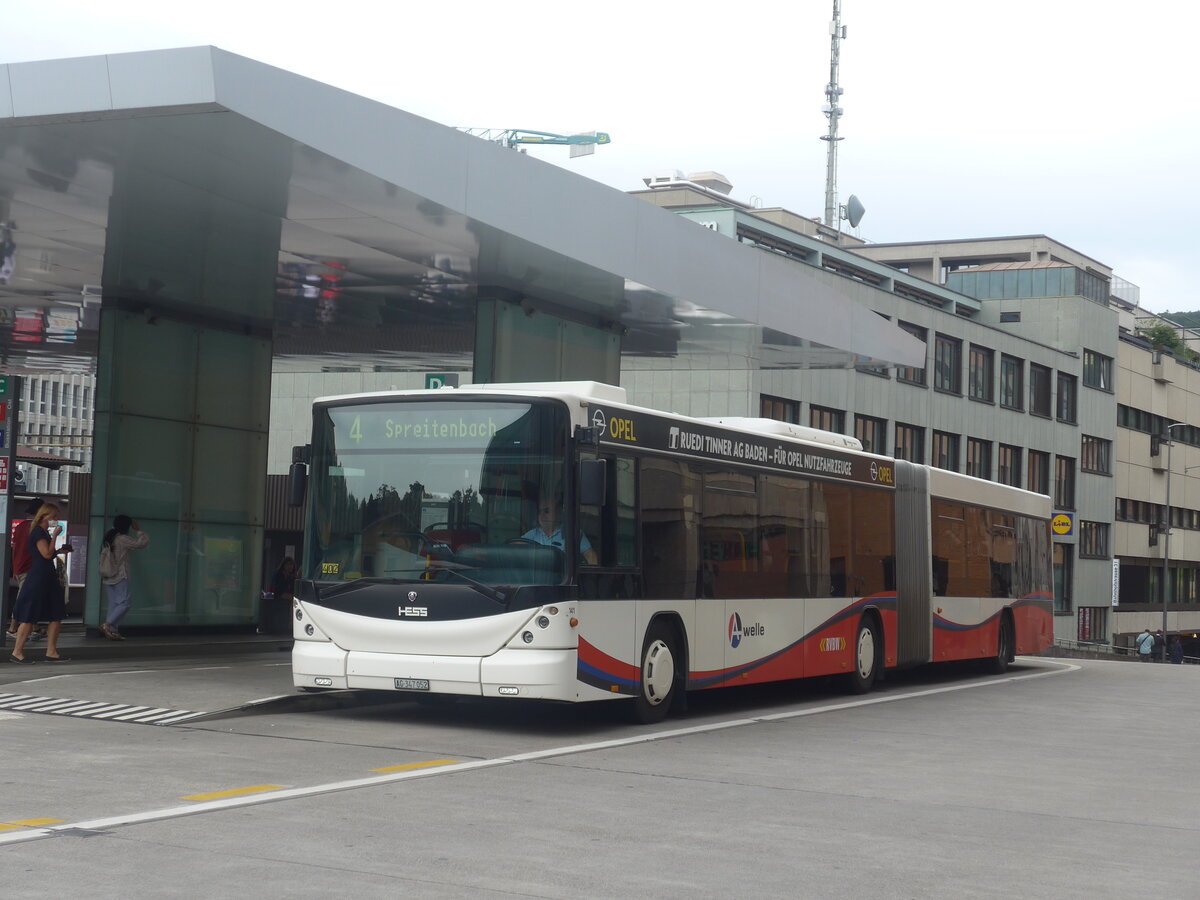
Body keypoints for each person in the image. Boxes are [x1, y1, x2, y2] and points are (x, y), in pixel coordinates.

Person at [9, 502, 72, 663]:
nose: (56, 520)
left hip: (46, 576)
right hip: (39, 577)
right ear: (45, 516)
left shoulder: (42, 532)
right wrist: (56, 535)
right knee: (29, 614)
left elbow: (47, 554)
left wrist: (59, 550)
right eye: (54, 517)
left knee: (56, 613)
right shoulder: (38, 532)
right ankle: (17, 652)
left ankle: (51, 651)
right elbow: (45, 554)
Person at [99, 514, 150, 641]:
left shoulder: (109, 536)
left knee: (114, 604)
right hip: (120, 575)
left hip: (107, 575)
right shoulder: (122, 539)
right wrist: (138, 530)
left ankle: (112, 630)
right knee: (125, 603)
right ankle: (108, 625)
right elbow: (141, 544)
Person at [521, 494, 598, 565]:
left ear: (558, 513)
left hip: (563, 578)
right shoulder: (533, 534)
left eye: (546, 511)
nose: (542, 515)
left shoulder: (572, 533)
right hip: (537, 577)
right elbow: (515, 548)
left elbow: (590, 556)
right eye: (539, 512)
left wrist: (592, 578)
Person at [6, 497, 44, 639]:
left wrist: (15, 567)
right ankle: (13, 628)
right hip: (31, 568)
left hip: (20, 566)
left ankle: (34, 627)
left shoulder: (21, 526)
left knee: (27, 597)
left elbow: (14, 549)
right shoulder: (36, 528)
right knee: (24, 598)